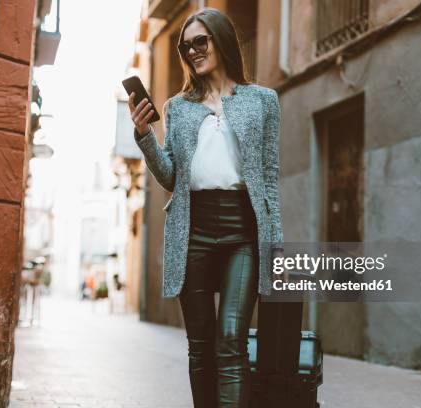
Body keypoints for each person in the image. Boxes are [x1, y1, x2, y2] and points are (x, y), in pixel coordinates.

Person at [128, 8, 283, 408]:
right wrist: (145, 136)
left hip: (242, 232)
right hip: (192, 230)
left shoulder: (263, 101)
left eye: (201, 41)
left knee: (231, 338)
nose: (193, 51)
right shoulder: (178, 107)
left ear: (222, 39)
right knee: (200, 346)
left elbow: (269, 180)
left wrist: (275, 248)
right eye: (186, 46)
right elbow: (170, 176)